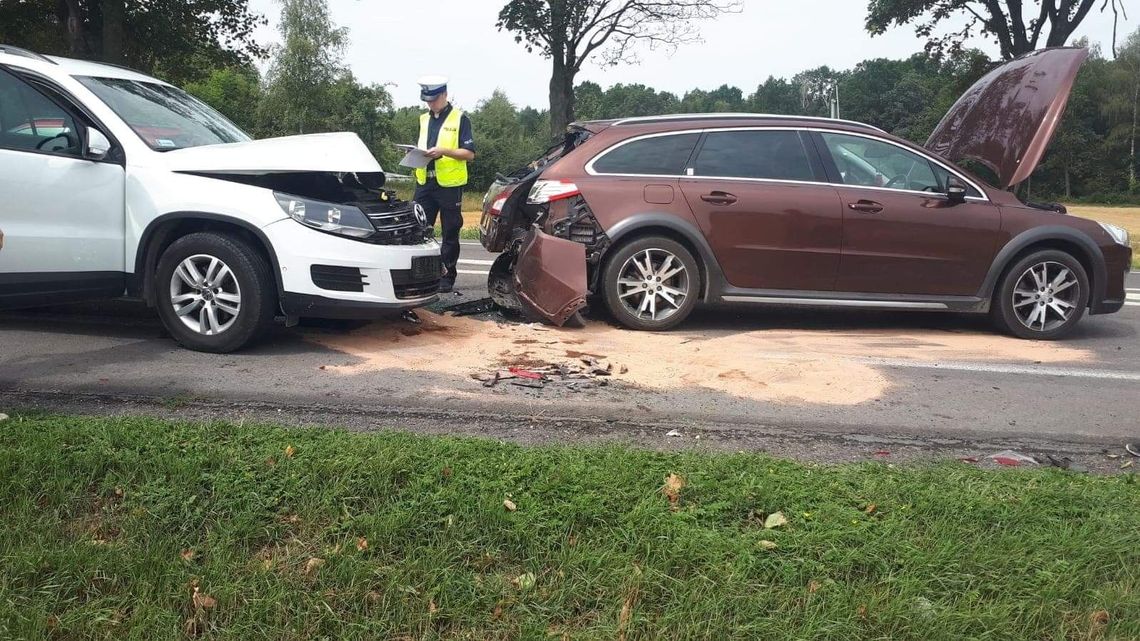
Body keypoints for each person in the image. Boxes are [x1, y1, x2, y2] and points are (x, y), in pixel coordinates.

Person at [414, 75, 475, 293]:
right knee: (420, 231)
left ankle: (447, 276)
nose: (430, 104)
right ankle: (421, 275)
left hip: (449, 185)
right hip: (424, 182)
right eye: (427, 101)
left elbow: (469, 154)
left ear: (445, 95)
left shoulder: (460, 119)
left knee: (450, 231)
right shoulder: (423, 119)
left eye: (433, 99)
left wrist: (444, 151)